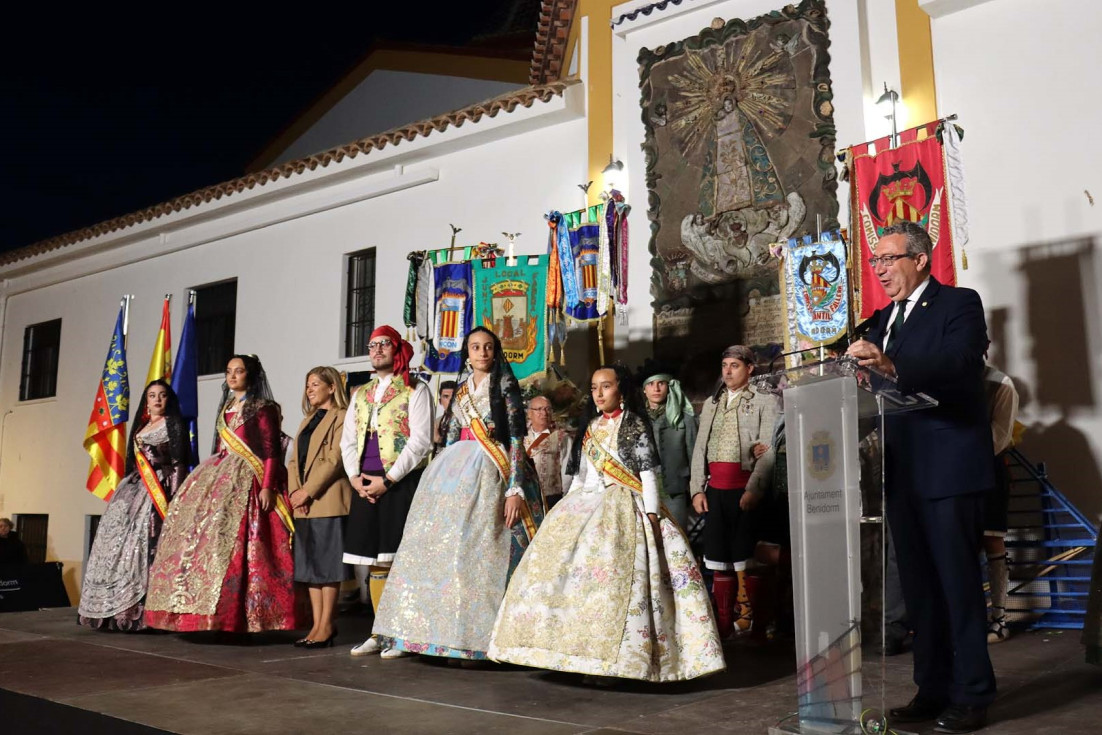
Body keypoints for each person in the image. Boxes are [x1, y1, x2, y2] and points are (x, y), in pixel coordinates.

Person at [847, 220, 996, 733]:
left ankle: (973, 694)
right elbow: (867, 385)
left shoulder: (959, 304)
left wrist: (889, 364)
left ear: (921, 259)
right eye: (875, 262)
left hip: (950, 469)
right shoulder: (880, 318)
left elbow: (959, 364)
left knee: (957, 586)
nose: (880, 269)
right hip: (904, 471)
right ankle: (932, 689)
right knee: (920, 592)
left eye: (888, 259)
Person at [490, 365, 724, 682]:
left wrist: (653, 516)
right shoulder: (591, 427)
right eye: (595, 387)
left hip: (628, 506)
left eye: (606, 386)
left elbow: (648, 475)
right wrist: (566, 508)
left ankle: (620, 661)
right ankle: (579, 655)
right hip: (589, 502)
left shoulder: (635, 425)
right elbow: (584, 477)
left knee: (618, 580)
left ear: (621, 390)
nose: (599, 393)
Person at [372, 327, 543, 661]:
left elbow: (516, 438)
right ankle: (422, 634)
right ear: (467, 352)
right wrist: (439, 480)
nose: (482, 352)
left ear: (496, 352)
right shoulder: (462, 388)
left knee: (481, 551)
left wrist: (515, 488)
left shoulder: (505, 385)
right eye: (475, 347)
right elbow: (450, 434)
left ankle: (482, 636)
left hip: (492, 468)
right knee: (442, 549)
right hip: (455, 470)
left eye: (488, 347)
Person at [145, 355, 297, 633]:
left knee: (244, 542)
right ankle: (203, 612)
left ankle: (241, 616)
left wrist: (266, 485)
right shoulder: (226, 407)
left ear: (250, 376)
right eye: (229, 371)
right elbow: (220, 444)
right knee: (208, 539)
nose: (232, 376)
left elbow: (271, 450)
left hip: (249, 478)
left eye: (239, 371)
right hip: (219, 474)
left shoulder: (264, 408)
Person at [341, 326, 433, 659]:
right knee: (375, 561)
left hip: (400, 480)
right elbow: (348, 439)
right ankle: (380, 631)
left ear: (397, 349)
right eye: (372, 345)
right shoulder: (360, 393)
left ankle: (404, 634)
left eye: (384, 344)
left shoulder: (415, 389)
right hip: (365, 481)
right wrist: (354, 477)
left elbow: (420, 440)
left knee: (399, 558)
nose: (377, 349)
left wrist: (389, 479)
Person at [78, 380, 189, 630]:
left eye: (162, 395)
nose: (157, 400)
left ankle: (146, 613)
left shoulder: (174, 424)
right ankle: (112, 610)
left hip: (160, 487)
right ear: (146, 400)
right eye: (152, 395)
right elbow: (131, 461)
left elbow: (180, 461)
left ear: (168, 399)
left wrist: (176, 496)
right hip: (133, 488)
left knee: (147, 544)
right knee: (116, 544)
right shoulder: (141, 426)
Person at [689, 345, 777, 636]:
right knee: (717, 557)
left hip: (744, 490)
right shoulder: (713, 404)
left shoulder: (765, 401)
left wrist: (755, 489)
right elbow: (700, 447)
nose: (727, 371)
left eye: (734, 366)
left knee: (746, 556)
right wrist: (697, 490)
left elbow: (768, 451)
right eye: (724, 365)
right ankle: (724, 624)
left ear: (750, 368)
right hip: (715, 490)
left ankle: (753, 621)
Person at [287, 367, 353, 649]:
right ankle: (316, 625)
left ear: (331, 387)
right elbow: (293, 461)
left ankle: (327, 624)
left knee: (328, 568)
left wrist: (307, 491)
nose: (309, 389)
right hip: (303, 503)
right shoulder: (307, 420)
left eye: (315, 384)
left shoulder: (342, 417)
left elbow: (334, 459)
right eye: (307, 385)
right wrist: (293, 492)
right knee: (310, 569)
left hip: (326, 499)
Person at [982, 356, 1019, 644]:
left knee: (992, 538)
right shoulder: (944, 377)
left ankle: (1000, 618)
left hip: (987, 468)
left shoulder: (1000, 383)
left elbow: (1001, 435)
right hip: (952, 471)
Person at [641, 370, 697, 529]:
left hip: (674, 491)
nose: (656, 388)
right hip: (643, 491)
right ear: (644, 389)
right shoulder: (636, 419)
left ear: (669, 386)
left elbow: (694, 456)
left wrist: (695, 489)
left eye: (661, 383)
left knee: (678, 539)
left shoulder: (685, 419)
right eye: (651, 384)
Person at [524, 395, 571, 510]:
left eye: (547, 409)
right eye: (539, 409)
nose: (544, 413)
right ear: (529, 413)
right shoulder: (521, 437)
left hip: (552, 496)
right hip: (526, 495)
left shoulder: (561, 437)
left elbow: (567, 469)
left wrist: (566, 497)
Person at [433, 380, 457, 452]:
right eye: (446, 397)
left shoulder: (465, 421)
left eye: (453, 396)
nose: (450, 400)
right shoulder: (436, 422)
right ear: (440, 401)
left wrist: (439, 439)